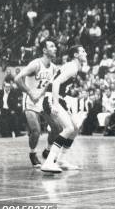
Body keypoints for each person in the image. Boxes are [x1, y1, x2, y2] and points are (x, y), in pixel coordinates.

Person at [40, 45, 88, 174]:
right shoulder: (72, 67)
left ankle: (61, 160)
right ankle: (49, 162)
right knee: (69, 128)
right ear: (76, 55)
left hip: (60, 98)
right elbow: (55, 83)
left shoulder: (73, 66)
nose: (86, 53)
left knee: (75, 128)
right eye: (83, 51)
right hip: (52, 98)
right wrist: (55, 104)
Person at [14, 39, 61, 168]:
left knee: (56, 128)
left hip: (42, 101)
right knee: (36, 131)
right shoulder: (35, 64)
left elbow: (49, 86)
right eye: (52, 46)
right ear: (44, 50)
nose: (55, 48)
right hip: (30, 100)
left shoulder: (54, 68)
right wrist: (30, 92)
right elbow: (17, 78)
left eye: (55, 46)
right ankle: (32, 153)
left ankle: (47, 150)